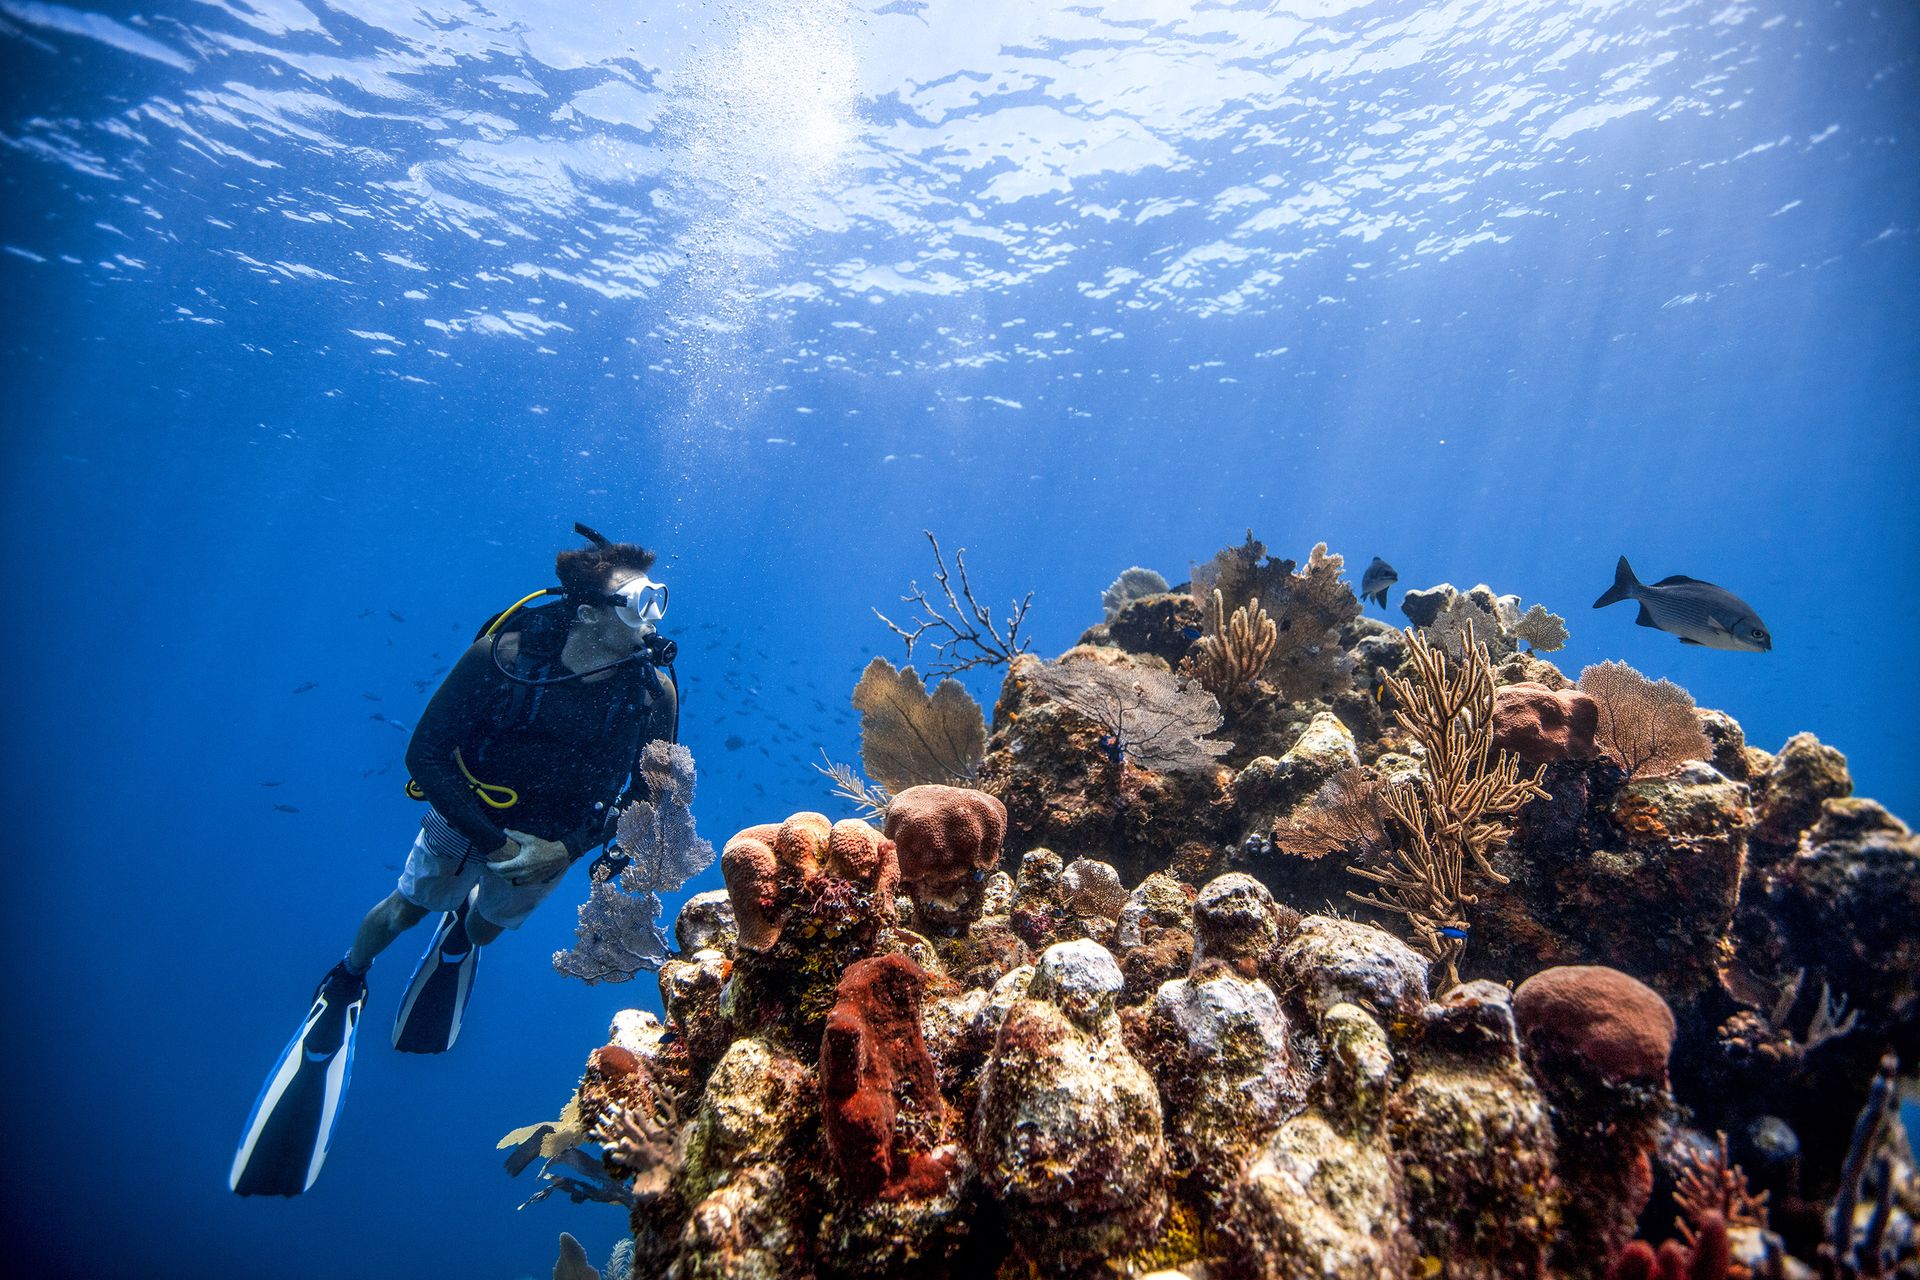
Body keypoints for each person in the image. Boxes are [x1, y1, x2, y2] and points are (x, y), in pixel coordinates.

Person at [230, 524, 679, 1197]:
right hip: (465, 815)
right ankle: (346, 980)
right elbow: (425, 756)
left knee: (487, 925)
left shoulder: (653, 694)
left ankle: (461, 941)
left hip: (553, 842)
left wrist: (566, 848)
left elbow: (647, 800)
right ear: (589, 613)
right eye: (640, 602)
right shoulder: (505, 655)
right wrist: (496, 843)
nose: (654, 617)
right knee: (406, 907)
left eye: (658, 601)